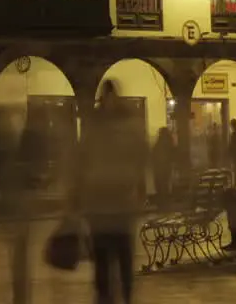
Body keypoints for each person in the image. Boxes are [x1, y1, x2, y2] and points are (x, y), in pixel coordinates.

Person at [73, 80, 146, 304]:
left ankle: (122, 296)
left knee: (122, 259)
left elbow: (140, 159)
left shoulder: (122, 127)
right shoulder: (99, 128)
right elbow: (80, 162)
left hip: (119, 206)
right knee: (104, 261)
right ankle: (107, 296)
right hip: (101, 207)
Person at [151, 128, 175, 207]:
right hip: (165, 167)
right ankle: (164, 202)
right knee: (164, 184)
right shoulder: (169, 141)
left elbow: (155, 154)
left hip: (160, 167)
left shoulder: (160, 142)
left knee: (160, 185)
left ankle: (162, 202)